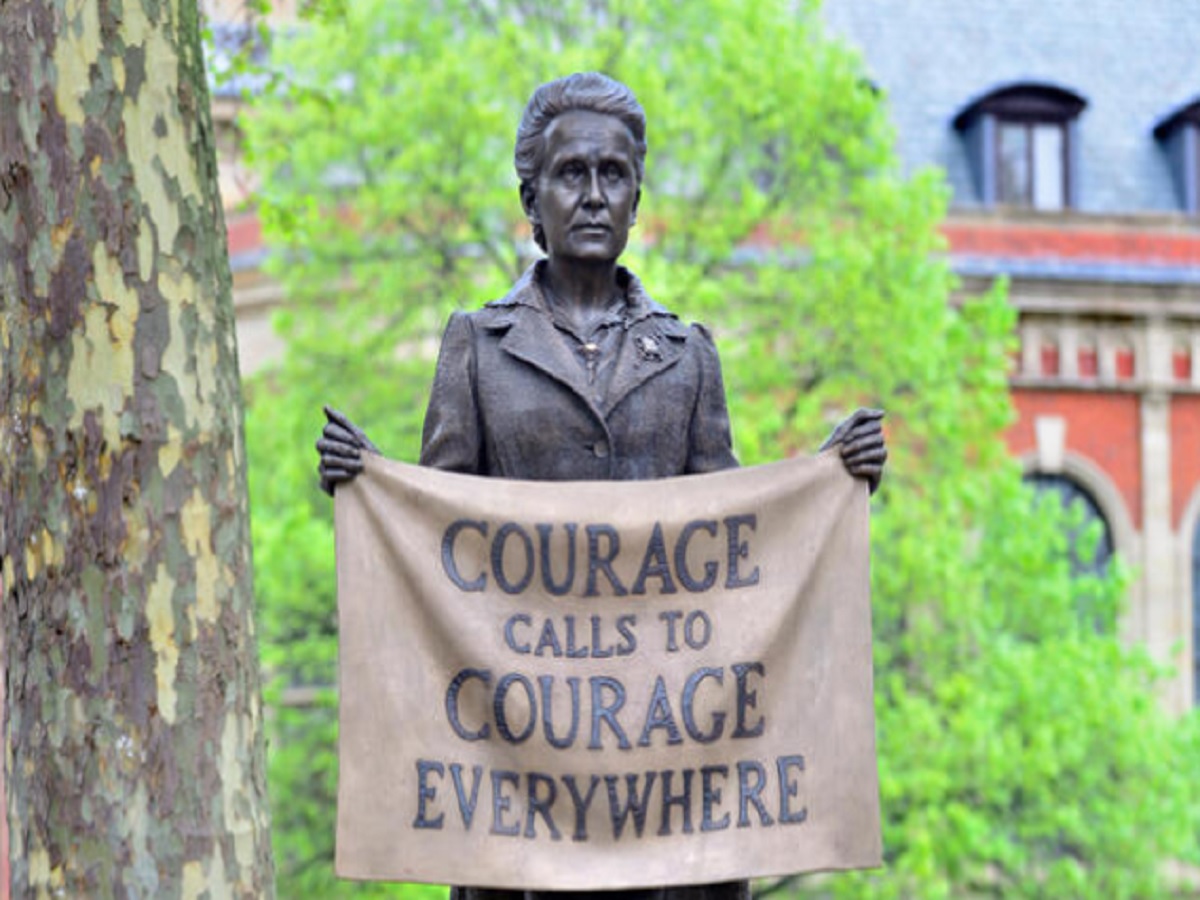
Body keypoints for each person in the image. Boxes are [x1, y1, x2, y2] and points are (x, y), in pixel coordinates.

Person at [317, 72, 887, 900]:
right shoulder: (477, 344)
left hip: (668, 807)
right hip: (519, 803)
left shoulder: (688, 355)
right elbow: (433, 550)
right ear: (531, 197)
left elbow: (737, 557)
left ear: (636, 197)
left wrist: (831, 479)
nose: (592, 195)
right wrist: (371, 487)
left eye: (612, 175)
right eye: (570, 174)